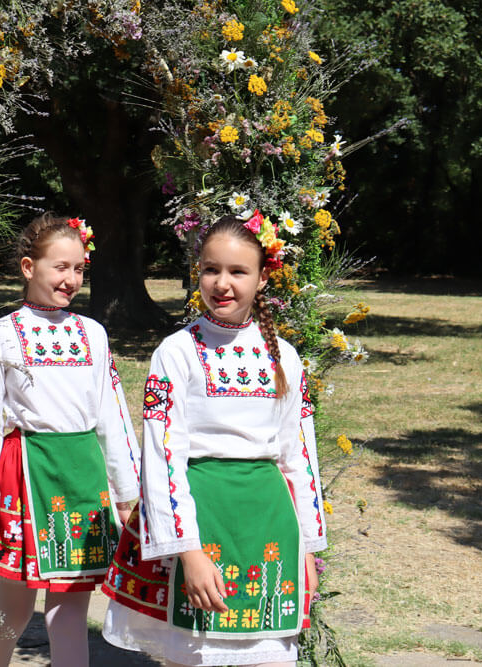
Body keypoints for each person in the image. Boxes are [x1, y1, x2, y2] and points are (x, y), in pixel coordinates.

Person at [100, 214, 328, 667]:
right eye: (211, 269)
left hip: (268, 523)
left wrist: (306, 545)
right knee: (195, 655)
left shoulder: (284, 357)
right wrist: (189, 552)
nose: (222, 283)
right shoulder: (176, 352)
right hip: (200, 520)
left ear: (263, 278)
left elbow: (299, 456)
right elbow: (162, 458)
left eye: (238, 271)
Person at [0, 213, 139, 667]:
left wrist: (126, 494)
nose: (71, 279)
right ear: (28, 267)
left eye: (79, 269)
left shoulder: (92, 334)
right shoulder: (1, 334)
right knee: (13, 608)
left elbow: (113, 415)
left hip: (82, 477)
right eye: (60, 267)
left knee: (69, 611)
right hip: (25, 476)